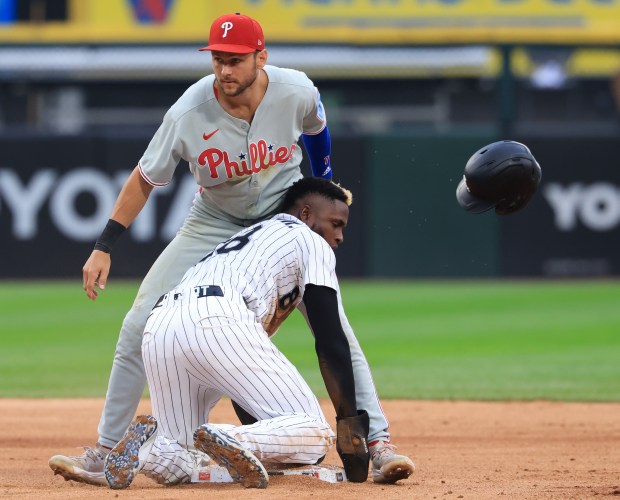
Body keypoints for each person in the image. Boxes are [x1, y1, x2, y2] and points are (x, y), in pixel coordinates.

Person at [48, 12, 414, 487]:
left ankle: (379, 444)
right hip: (213, 219)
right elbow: (144, 179)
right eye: (218, 60)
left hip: (282, 214)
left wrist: (322, 184)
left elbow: (317, 124)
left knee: (334, 325)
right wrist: (104, 245)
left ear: (261, 58)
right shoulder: (188, 112)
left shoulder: (295, 90)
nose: (225, 71)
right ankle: (104, 451)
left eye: (236, 60)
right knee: (139, 322)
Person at [103, 178, 373, 489]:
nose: (338, 236)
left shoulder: (246, 240)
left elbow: (246, 391)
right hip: (217, 318)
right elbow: (331, 341)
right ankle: (231, 437)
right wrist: (350, 434)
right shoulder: (309, 240)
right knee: (314, 434)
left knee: (180, 461)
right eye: (335, 223)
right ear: (306, 214)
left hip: (161, 323)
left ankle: (150, 450)